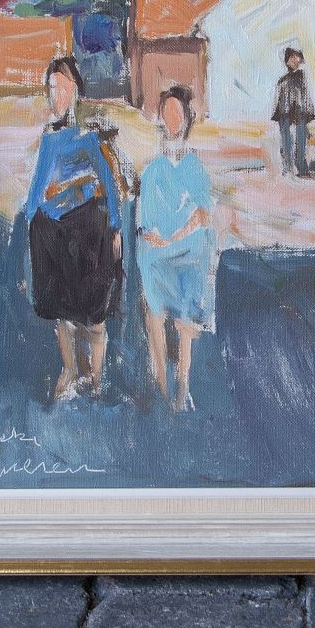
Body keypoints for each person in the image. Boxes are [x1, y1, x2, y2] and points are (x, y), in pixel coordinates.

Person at [19, 55, 123, 403]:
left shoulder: (89, 138)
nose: (57, 96)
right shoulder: (49, 140)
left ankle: (96, 379)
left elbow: (109, 185)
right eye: (52, 89)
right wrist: (37, 218)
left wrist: (116, 227)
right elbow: (35, 194)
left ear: (76, 92)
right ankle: (70, 370)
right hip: (55, 234)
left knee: (94, 313)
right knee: (63, 314)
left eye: (63, 89)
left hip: (89, 232)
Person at [136, 86, 216, 413]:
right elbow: (145, 220)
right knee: (153, 304)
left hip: (188, 248)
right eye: (166, 112)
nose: (171, 118)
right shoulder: (153, 169)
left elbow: (202, 214)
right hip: (158, 251)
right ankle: (160, 382)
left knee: (186, 307)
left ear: (186, 119)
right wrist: (156, 237)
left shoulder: (195, 166)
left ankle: (182, 384)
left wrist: (175, 238)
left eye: (177, 112)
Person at [271, 46, 315, 177]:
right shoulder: (282, 80)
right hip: (284, 111)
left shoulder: (301, 77)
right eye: (292, 57)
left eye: (297, 57)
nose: (295, 60)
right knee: (286, 138)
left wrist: (307, 111)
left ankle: (301, 166)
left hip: (300, 110)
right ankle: (287, 167)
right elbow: (279, 99)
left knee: (301, 137)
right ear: (287, 60)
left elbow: (305, 96)